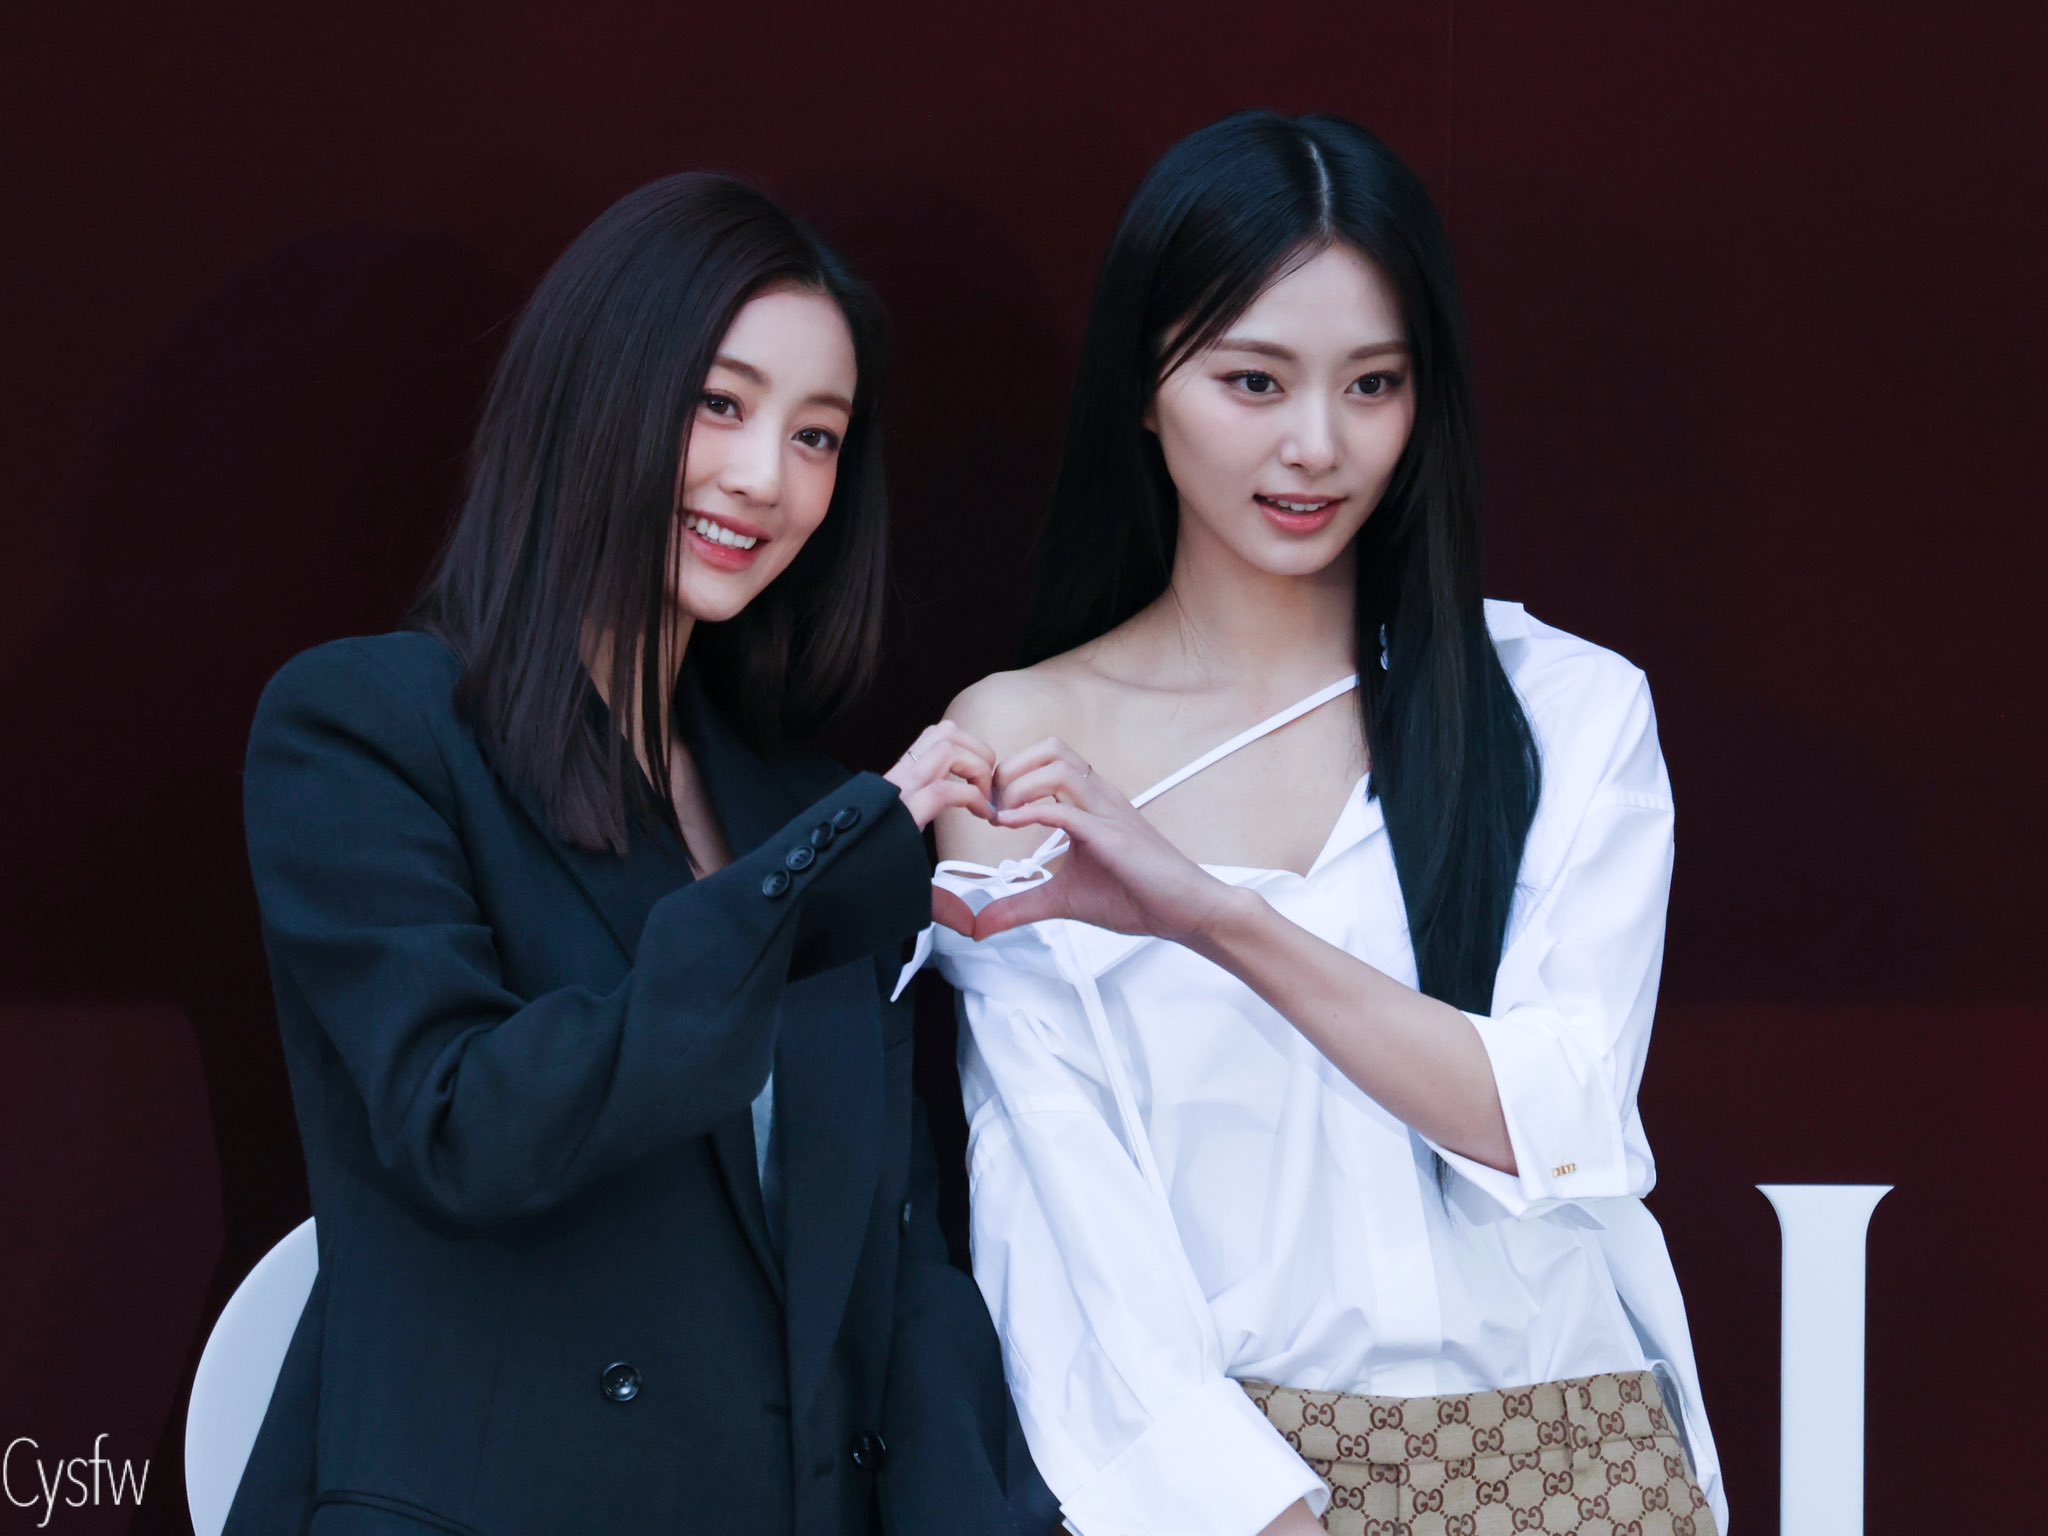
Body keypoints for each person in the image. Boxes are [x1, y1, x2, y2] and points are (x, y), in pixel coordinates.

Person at [914, 112, 1728, 1536]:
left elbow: (1557, 1118)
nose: (1315, 445)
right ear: (1144, 388)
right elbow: (1059, 1217)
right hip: (1230, 1489)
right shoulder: (1022, 742)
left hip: (1570, 1453)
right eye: (1254, 380)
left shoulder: (1561, 707)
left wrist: (1211, 915)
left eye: (1373, 385)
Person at [235, 172, 1047, 1535]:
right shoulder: (365, 728)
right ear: (596, 390)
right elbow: (465, 1123)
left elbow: (894, 1269)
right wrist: (809, 878)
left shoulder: (807, 809)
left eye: (817, 435)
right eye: (720, 404)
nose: (765, 478)